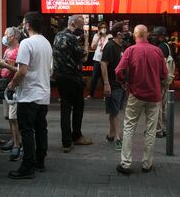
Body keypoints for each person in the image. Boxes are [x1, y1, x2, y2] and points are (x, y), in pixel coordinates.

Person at [115, 25, 168, 175]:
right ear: (148, 34)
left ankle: (125, 163)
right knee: (151, 130)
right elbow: (164, 74)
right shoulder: (157, 51)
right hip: (154, 95)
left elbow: (119, 70)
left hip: (135, 94)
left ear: (135, 35)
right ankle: (147, 163)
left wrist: (123, 82)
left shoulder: (130, 50)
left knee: (129, 127)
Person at [7, 12, 53, 179]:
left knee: (26, 131)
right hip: (43, 93)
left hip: (28, 94)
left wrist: (12, 83)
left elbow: (22, 71)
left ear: (27, 26)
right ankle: (39, 161)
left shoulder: (27, 43)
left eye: (24, 23)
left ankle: (27, 166)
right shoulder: (46, 43)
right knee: (41, 129)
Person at [53, 15, 92, 153]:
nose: (81, 29)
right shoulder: (71, 38)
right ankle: (76, 136)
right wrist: (86, 40)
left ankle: (66, 142)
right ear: (74, 24)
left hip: (60, 77)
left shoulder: (58, 35)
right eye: (81, 26)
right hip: (73, 78)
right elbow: (85, 57)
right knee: (78, 106)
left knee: (65, 108)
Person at [100, 21, 127, 151]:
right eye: (125, 31)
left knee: (114, 110)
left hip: (121, 84)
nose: (127, 33)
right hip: (113, 83)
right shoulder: (110, 46)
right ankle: (117, 137)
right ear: (118, 33)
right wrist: (106, 84)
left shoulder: (121, 46)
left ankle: (110, 134)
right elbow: (103, 63)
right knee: (115, 111)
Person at [0, 27, 21, 161]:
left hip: (13, 85)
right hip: (4, 84)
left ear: (13, 36)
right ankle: (14, 139)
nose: (4, 37)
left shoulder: (19, 50)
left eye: (6, 34)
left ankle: (17, 145)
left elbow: (19, 69)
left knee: (13, 117)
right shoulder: (7, 50)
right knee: (8, 116)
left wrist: (5, 65)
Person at [149, 26, 174, 138]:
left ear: (161, 36)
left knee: (157, 106)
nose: (153, 37)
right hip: (166, 80)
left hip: (160, 81)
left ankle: (158, 130)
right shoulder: (167, 46)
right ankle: (163, 128)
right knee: (163, 106)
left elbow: (160, 67)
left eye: (155, 35)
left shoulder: (161, 48)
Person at [87, 21, 111, 99]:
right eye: (101, 28)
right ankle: (91, 94)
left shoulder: (109, 36)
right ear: (99, 29)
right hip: (97, 58)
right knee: (94, 77)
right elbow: (93, 47)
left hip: (106, 59)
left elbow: (111, 47)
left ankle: (106, 95)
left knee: (105, 77)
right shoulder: (96, 36)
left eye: (104, 27)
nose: (103, 29)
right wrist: (98, 37)